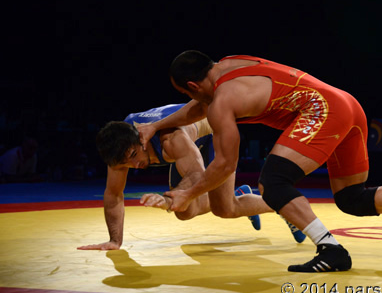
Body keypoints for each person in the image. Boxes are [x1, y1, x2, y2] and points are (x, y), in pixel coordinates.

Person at [137, 51, 382, 273]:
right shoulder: (228, 65)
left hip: (324, 111)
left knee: (274, 182)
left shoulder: (222, 102)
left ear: (193, 86)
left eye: (188, 93)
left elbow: (224, 165)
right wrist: (158, 125)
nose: (192, 101)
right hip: (348, 105)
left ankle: (330, 250)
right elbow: (198, 107)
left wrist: (186, 194)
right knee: (352, 198)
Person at [78, 104, 305, 251]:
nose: (134, 165)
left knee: (225, 208)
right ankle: (240, 194)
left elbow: (196, 174)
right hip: (190, 148)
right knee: (184, 212)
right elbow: (113, 194)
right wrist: (115, 241)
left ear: (141, 138)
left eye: (134, 156)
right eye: (127, 163)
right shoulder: (120, 147)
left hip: (217, 134)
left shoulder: (170, 139)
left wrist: (168, 199)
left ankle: (282, 205)